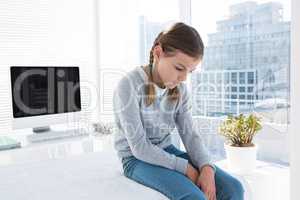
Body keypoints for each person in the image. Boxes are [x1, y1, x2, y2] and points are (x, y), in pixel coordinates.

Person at [113, 22, 244, 200]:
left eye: (190, 71)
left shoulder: (181, 91)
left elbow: (190, 135)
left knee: (234, 188)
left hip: (167, 150)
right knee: (194, 197)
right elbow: (139, 148)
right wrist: (186, 168)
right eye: (179, 68)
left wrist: (206, 167)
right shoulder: (129, 85)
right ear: (158, 53)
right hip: (135, 160)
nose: (183, 78)